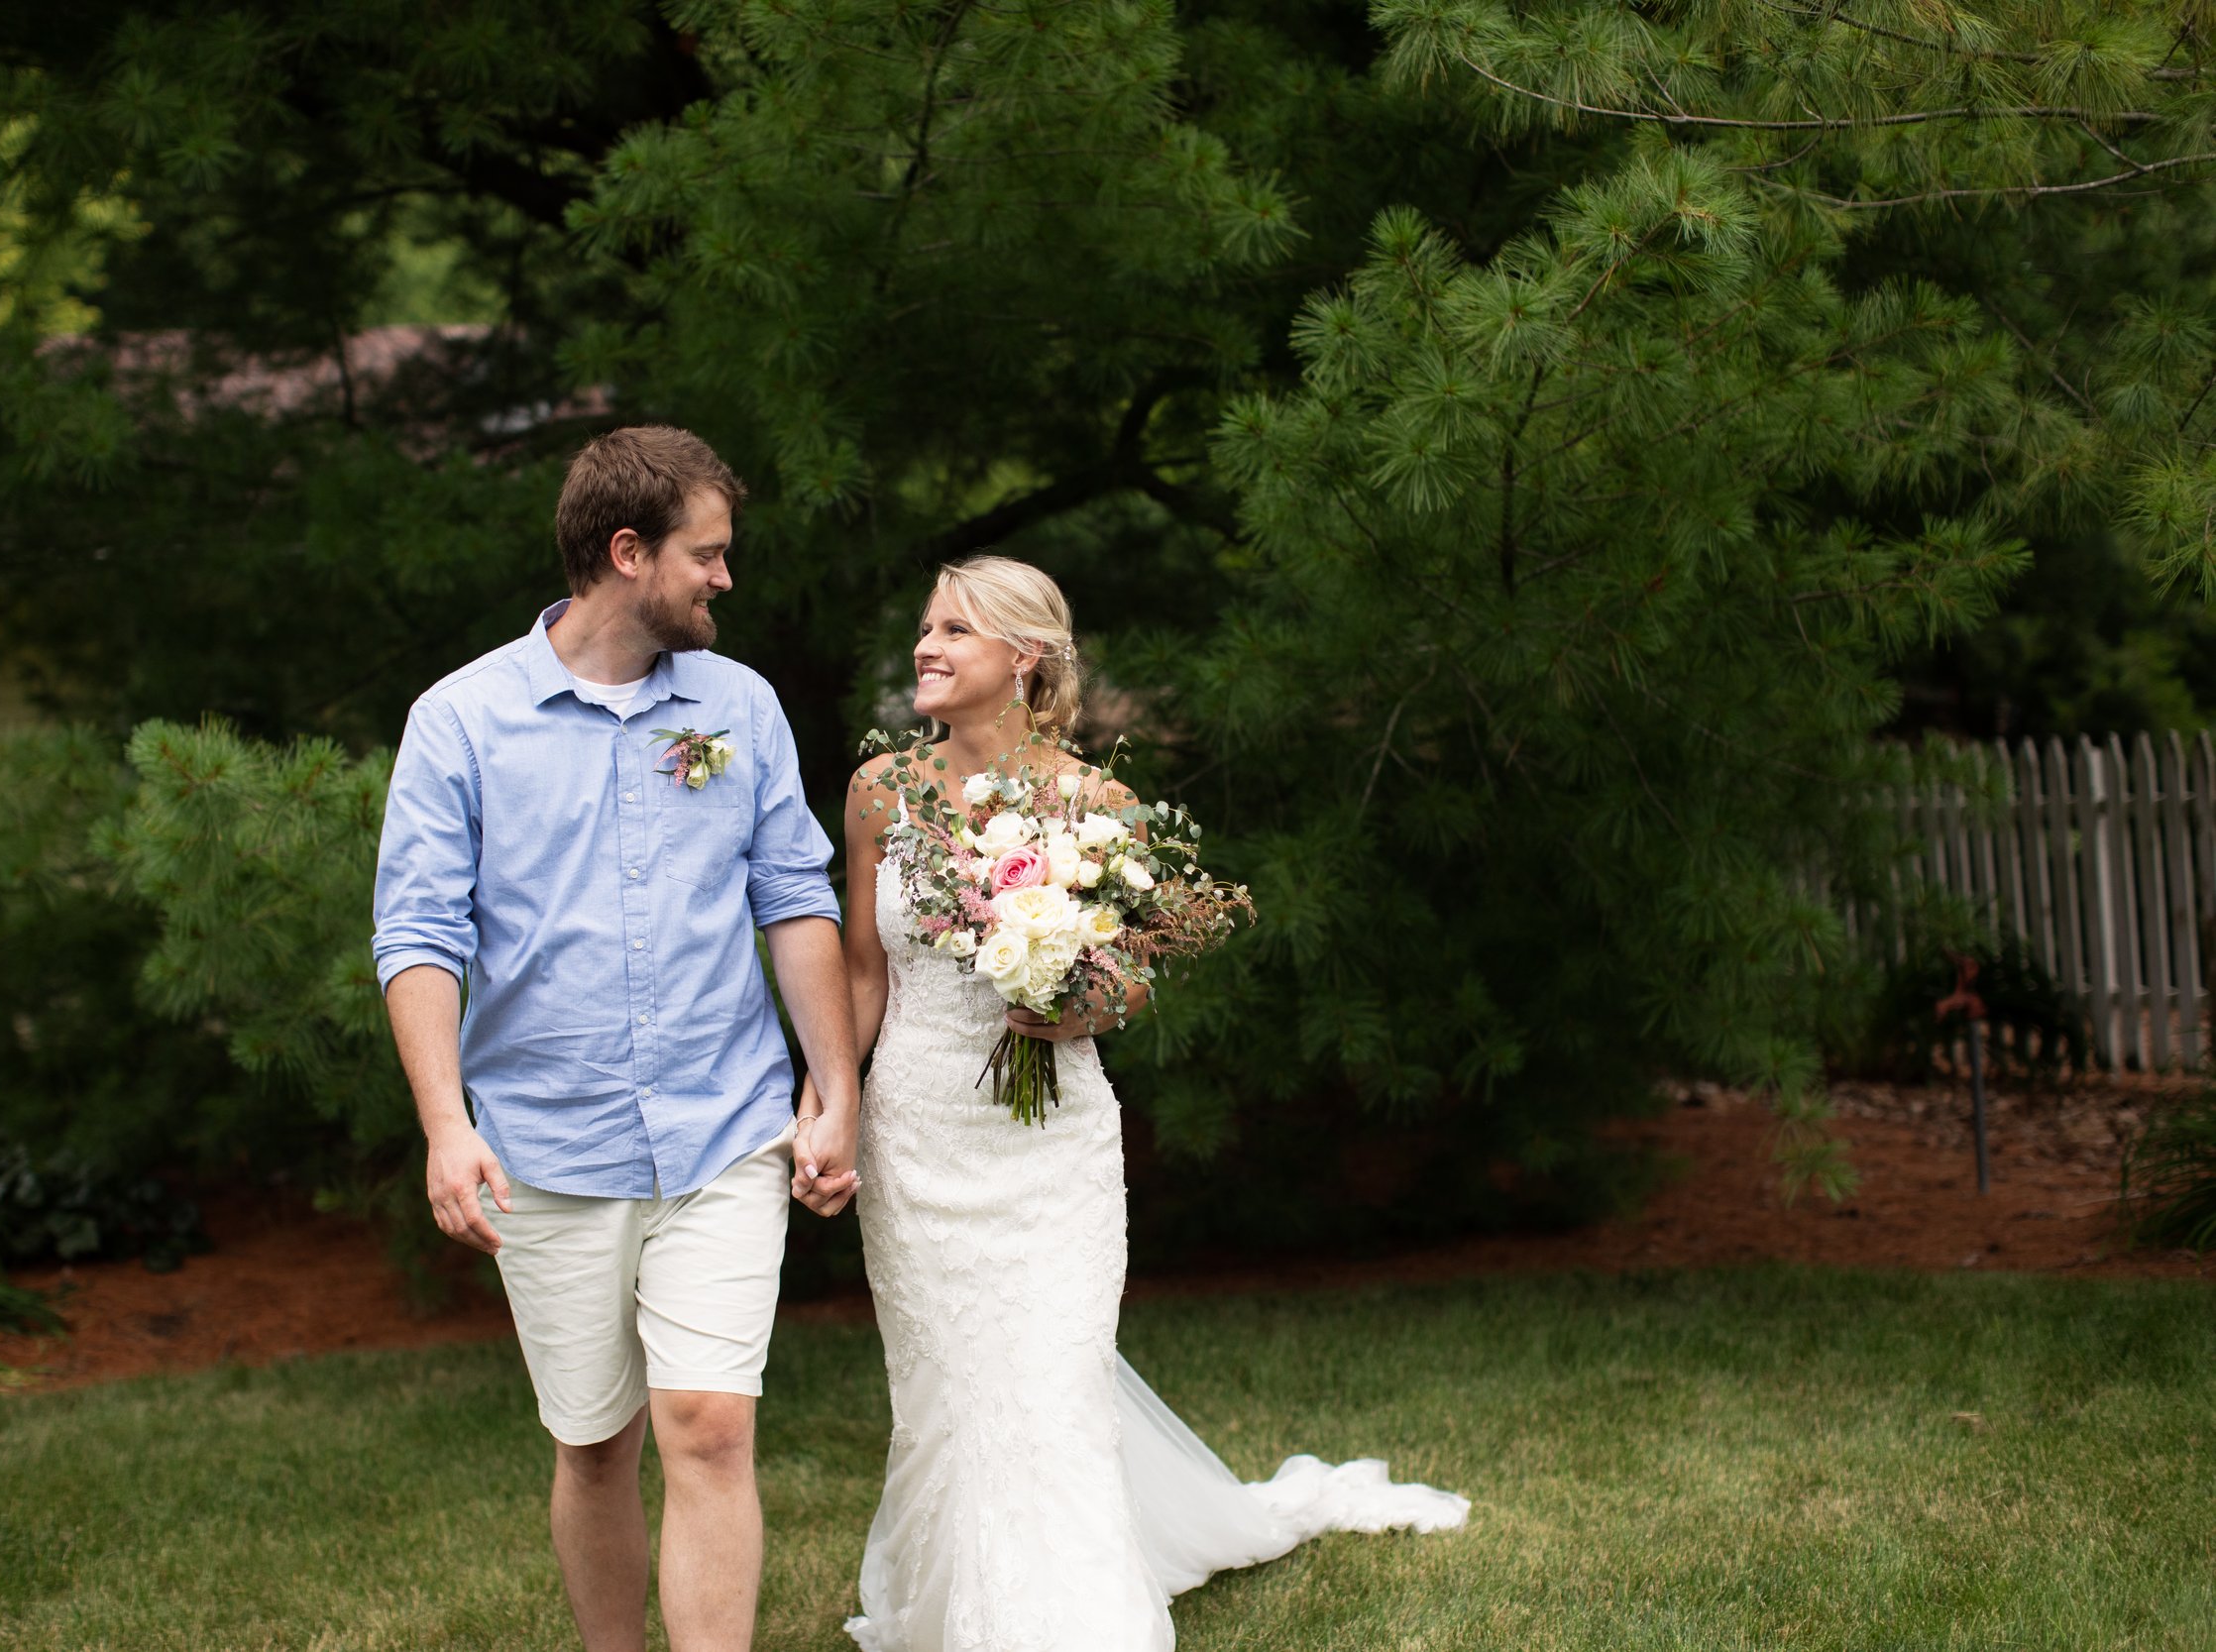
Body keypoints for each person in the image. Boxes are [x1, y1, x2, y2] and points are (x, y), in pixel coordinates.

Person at [808, 555, 1468, 1652]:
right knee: (946, 1388)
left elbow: (1137, 971)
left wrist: (1076, 1008)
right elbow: (865, 973)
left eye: (953, 630)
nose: (925, 647)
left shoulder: (1092, 800)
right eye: (924, 627)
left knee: (1052, 1380)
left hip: (1050, 1143)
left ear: (1024, 656)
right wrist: (829, 1100)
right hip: (916, 1128)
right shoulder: (881, 788)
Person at [372, 425, 862, 1652]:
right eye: (707, 554)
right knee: (594, 1441)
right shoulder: (461, 722)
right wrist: (447, 1125)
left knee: (707, 1420)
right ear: (627, 550)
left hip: (725, 1122)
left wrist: (833, 1085)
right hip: (547, 1138)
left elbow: (794, 895)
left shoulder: (737, 703)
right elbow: (420, 932)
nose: (724, 580)